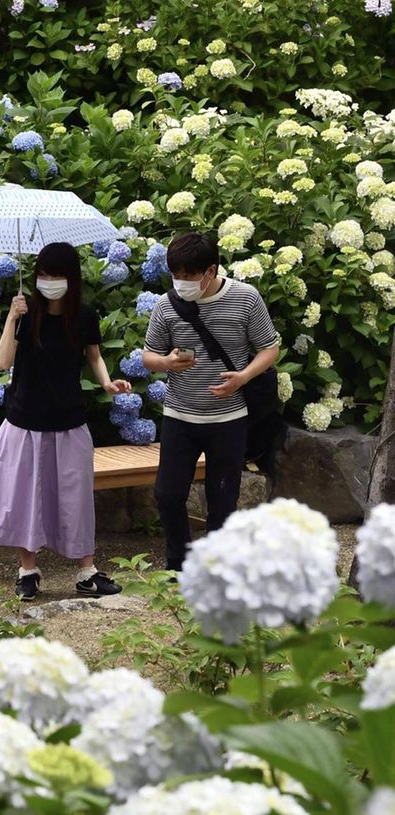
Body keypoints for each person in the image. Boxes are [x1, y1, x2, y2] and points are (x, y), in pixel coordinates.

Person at [0, 242, 132, 601]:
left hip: (69, 419)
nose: (49, 281)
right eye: (43, 274)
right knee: (27, 496)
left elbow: (93, 356)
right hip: (24, 422)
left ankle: (86, 571)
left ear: (71, 277)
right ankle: (27, 570)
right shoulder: (25, 314)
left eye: (56, 274)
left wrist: (107, 382)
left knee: (76, 495)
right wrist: (12, 319)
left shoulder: (84, 315)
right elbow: (3, 363)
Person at [141, 232, 280, 573]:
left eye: (189, 277)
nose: (182, 283)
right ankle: (178, 564)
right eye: (176, 276)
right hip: (179, 414)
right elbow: (148, 355)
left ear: (211, 270)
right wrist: (167, 363)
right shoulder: (166, 305)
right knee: (168, 494)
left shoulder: (245, 299)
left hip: (229, 418)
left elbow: (270, 348)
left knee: (223, 499)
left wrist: (243, 377)